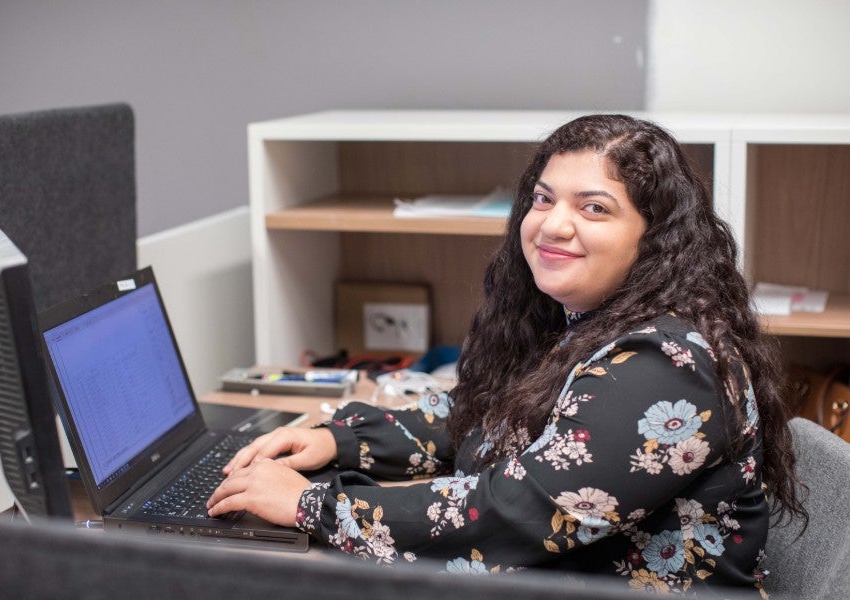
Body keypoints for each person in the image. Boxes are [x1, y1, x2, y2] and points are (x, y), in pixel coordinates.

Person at [207, 114, 806, 594]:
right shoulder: (584, 319)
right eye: (544, 200)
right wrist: (344, 440)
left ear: (655, 237)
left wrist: (312, 504)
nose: (552, 225)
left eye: (594, 208)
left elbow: (514, 513)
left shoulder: (665, 368)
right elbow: (490, 419)